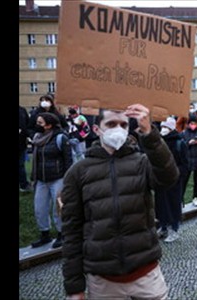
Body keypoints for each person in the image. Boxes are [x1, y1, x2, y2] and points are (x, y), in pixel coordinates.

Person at [61, 104, 179, 300]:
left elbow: (169, 177)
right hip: (103, 281)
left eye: (123, 125)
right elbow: (71, 231)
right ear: (97, 129)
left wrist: (149, 133)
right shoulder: (78, 172)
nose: (118, 129)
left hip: (146, 273)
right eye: (111, 123)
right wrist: (74, 287)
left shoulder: (141, 162)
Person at [30, 113, 73, 249]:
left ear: (49, 125)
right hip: (41, 180)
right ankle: (45, 234)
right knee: (39, 208)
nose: (37, 125)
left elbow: (68, 161)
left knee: (58, 208)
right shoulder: (37, 138)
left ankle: (62, 234)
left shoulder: (61, 138)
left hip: (58, 178)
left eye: (40, 123)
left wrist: (67, 180)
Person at [155, 117, 189, 242]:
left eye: (166, 127)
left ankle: (174, 229)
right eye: (162, 126)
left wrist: (176, 173)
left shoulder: (179, 142)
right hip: (160, 179)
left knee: (173, 205)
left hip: (174, 180)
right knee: (161, 204)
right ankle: (163, 226)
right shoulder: (158, 141)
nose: (163, 129)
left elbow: (185, 164)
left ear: (171, 128)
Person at [19, 105, 32, 192]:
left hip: (21, 143)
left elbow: (28, 125)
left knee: (20, 164)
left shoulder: (22, 110)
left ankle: (23, 185)